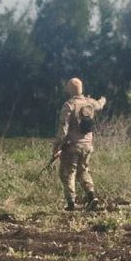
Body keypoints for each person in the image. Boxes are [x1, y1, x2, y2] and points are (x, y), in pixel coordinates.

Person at [52, 77, 106, 211]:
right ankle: (92, 196)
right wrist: (103, 98)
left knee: (67, 173)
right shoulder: (90, 103)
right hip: (88, 146)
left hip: (72, 147)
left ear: (69, 90)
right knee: (83, 171)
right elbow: (100, 104)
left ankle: (71, 203)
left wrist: (56, 147)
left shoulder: (69, 105)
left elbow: (63, 130)